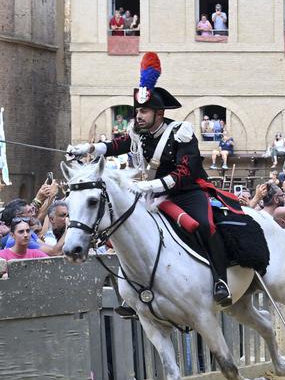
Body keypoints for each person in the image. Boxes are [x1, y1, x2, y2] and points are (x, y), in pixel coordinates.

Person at [65, 52, 239, 306]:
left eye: (144, 111)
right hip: (153, 195)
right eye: (138, 110)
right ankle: (135, 293)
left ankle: (219, 280)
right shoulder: (140, 132)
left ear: (159, 113)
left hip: (187, 193)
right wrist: (87, 149)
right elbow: (117, 144)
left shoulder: (181, 133)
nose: (139, 115)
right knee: (129, 228)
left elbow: (184, 172)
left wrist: (149, 185)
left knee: (204, 225)